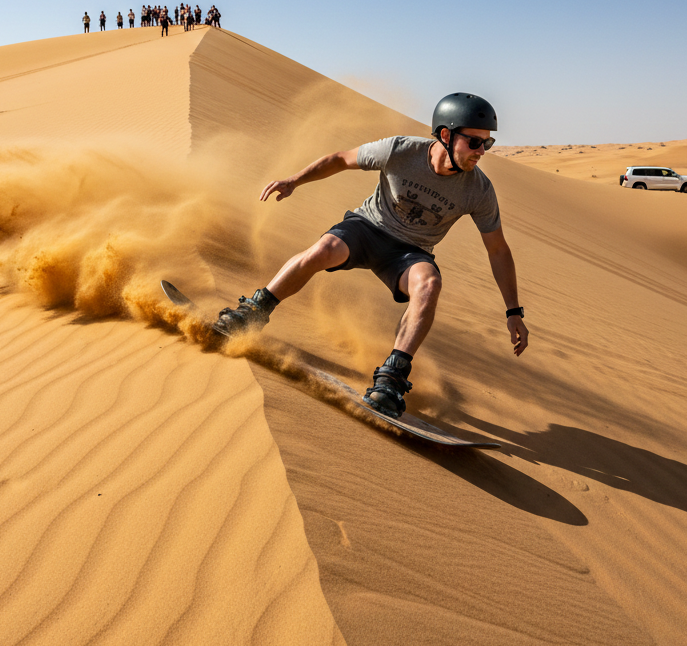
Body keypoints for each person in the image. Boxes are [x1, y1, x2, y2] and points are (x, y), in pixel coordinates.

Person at [213, 93, 528, 419]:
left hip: (409, 253)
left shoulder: (479, 190)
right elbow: (340, 159)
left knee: (429, 284)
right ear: (446, 135)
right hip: (367, 228)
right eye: (474, 142)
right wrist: (295, 180)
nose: (481, 152)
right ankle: (252, 312)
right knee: (323, 250)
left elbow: (498, 249)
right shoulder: (400, 150)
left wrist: (513, 311)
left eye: (487, 144)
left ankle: (391, 379)